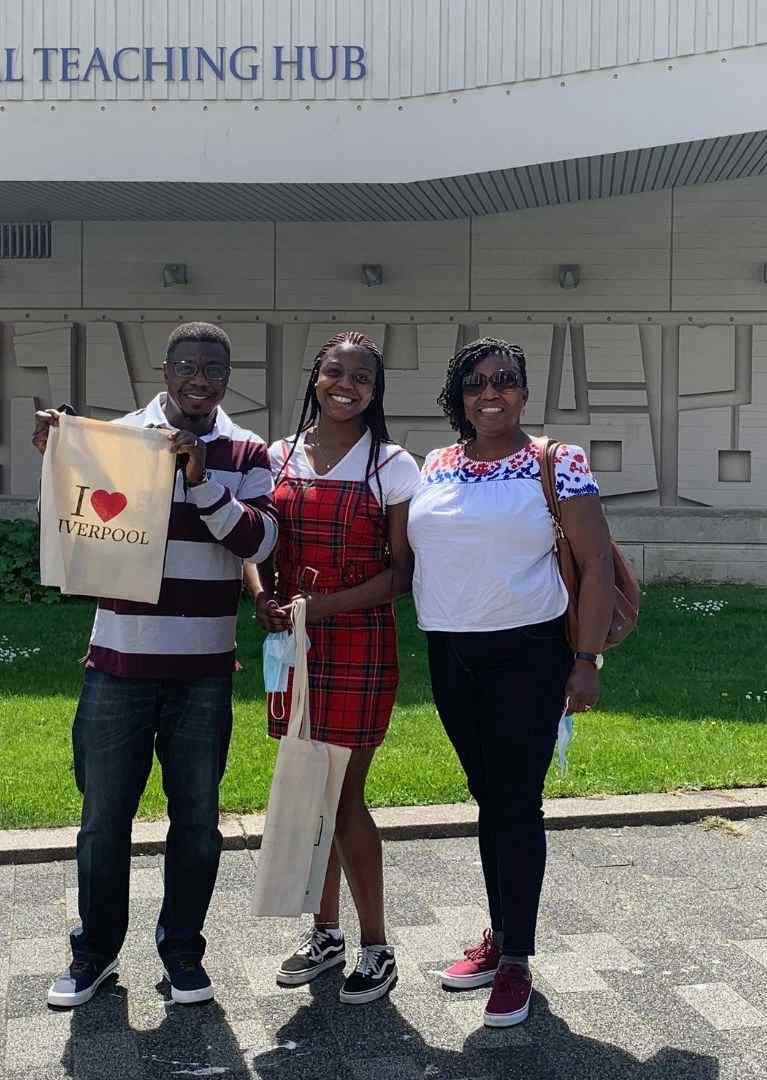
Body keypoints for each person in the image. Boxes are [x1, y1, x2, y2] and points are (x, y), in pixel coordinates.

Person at [30, 322, 278, 1009]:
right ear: (165, 371)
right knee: (103, 821)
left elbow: (262, 542)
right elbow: (73, 525)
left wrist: (201, 483)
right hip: (117, 664)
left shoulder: (248, 450)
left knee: (197, 823)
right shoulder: (116, 442)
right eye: (189, 366)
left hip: (203, 670)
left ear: (228, 379)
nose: (201, 379)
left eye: (215, 370)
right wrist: (57, 457)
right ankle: (95, 954)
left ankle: (182, 955)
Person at [405, 337, 617, 1028]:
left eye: (505, 382)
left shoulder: (558, 462)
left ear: (524, 393)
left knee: (517, 802)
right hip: (450, 653)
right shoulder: (435, 464)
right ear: (457, 396)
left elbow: (595, 568)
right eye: (475, 383)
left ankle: (518, 959)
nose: (490, 394)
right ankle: (498, 938)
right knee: (486, 796)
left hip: (528, 655)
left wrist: (584, 660)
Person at [245, 331, 419, 1006]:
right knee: (306, 790)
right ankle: (326, 936)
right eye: (334, 372)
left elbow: (401, 575)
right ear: (314, 378)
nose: (346, 385)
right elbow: (252, 539)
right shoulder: (276, 455)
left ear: (375, 392)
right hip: (294, 642)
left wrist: (323, 606)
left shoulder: (392, 465)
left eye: (362, 378)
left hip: (358, 642)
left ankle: (377, 947)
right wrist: (259, 591)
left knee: (342, 798)